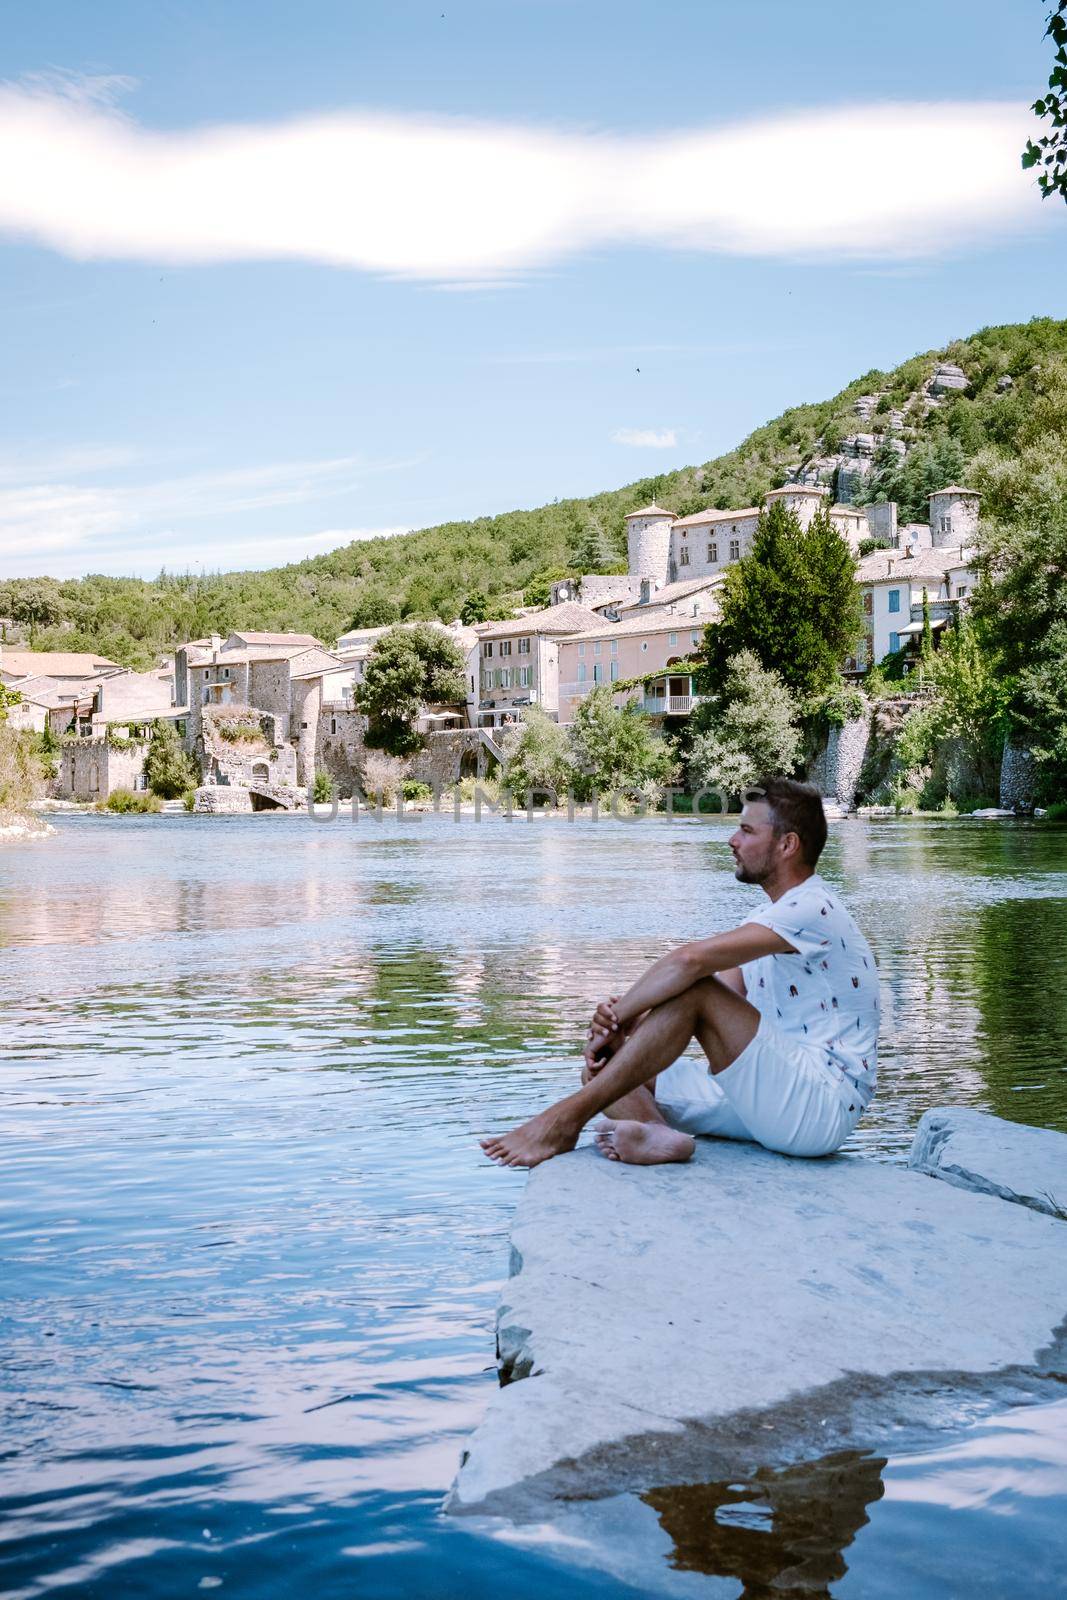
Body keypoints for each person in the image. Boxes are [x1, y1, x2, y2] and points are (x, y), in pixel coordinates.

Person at [481, 777, 879, 1169]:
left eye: (745, 830)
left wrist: (624, 1013)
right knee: (605, 1068)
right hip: (773, 1098)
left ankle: (562, 1121)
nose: (732, 841)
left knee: (694, 988)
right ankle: (657, 1135)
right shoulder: (767, 919)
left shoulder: (813, 908)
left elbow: (690, 967)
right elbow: (723, 1002)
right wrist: (623, 1031)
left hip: (818, 1103)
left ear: (787, 844)